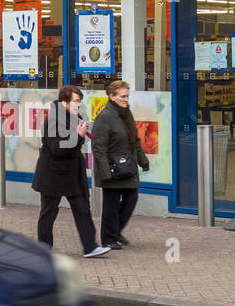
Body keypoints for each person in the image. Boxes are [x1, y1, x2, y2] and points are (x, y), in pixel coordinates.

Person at [32, 85, 109, 258]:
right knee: (48, 211)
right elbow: (56, 148)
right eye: (75, 101)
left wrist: (83, 136)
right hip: (52, 174)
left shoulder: (76, 117)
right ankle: (43, 248)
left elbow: (77, 143)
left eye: (79, 101)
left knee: (82, 208)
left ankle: (90, 246)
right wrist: (78, 136)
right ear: (64, 102)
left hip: (72, 174)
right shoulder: (53, 120)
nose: (78, 105)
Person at [91, 79, 150, 249]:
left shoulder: (126, 113)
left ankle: (115, 231)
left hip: (127, 165)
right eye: (123, 96)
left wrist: (143, 160)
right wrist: (105, 173)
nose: (126, 99)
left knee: (132, 198)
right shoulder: (105, 117)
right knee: (112, 203)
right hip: (112, 168)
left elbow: (135, 140)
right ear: (112, 97)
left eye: (127, 96)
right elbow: (98, 147)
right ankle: (109, 238)